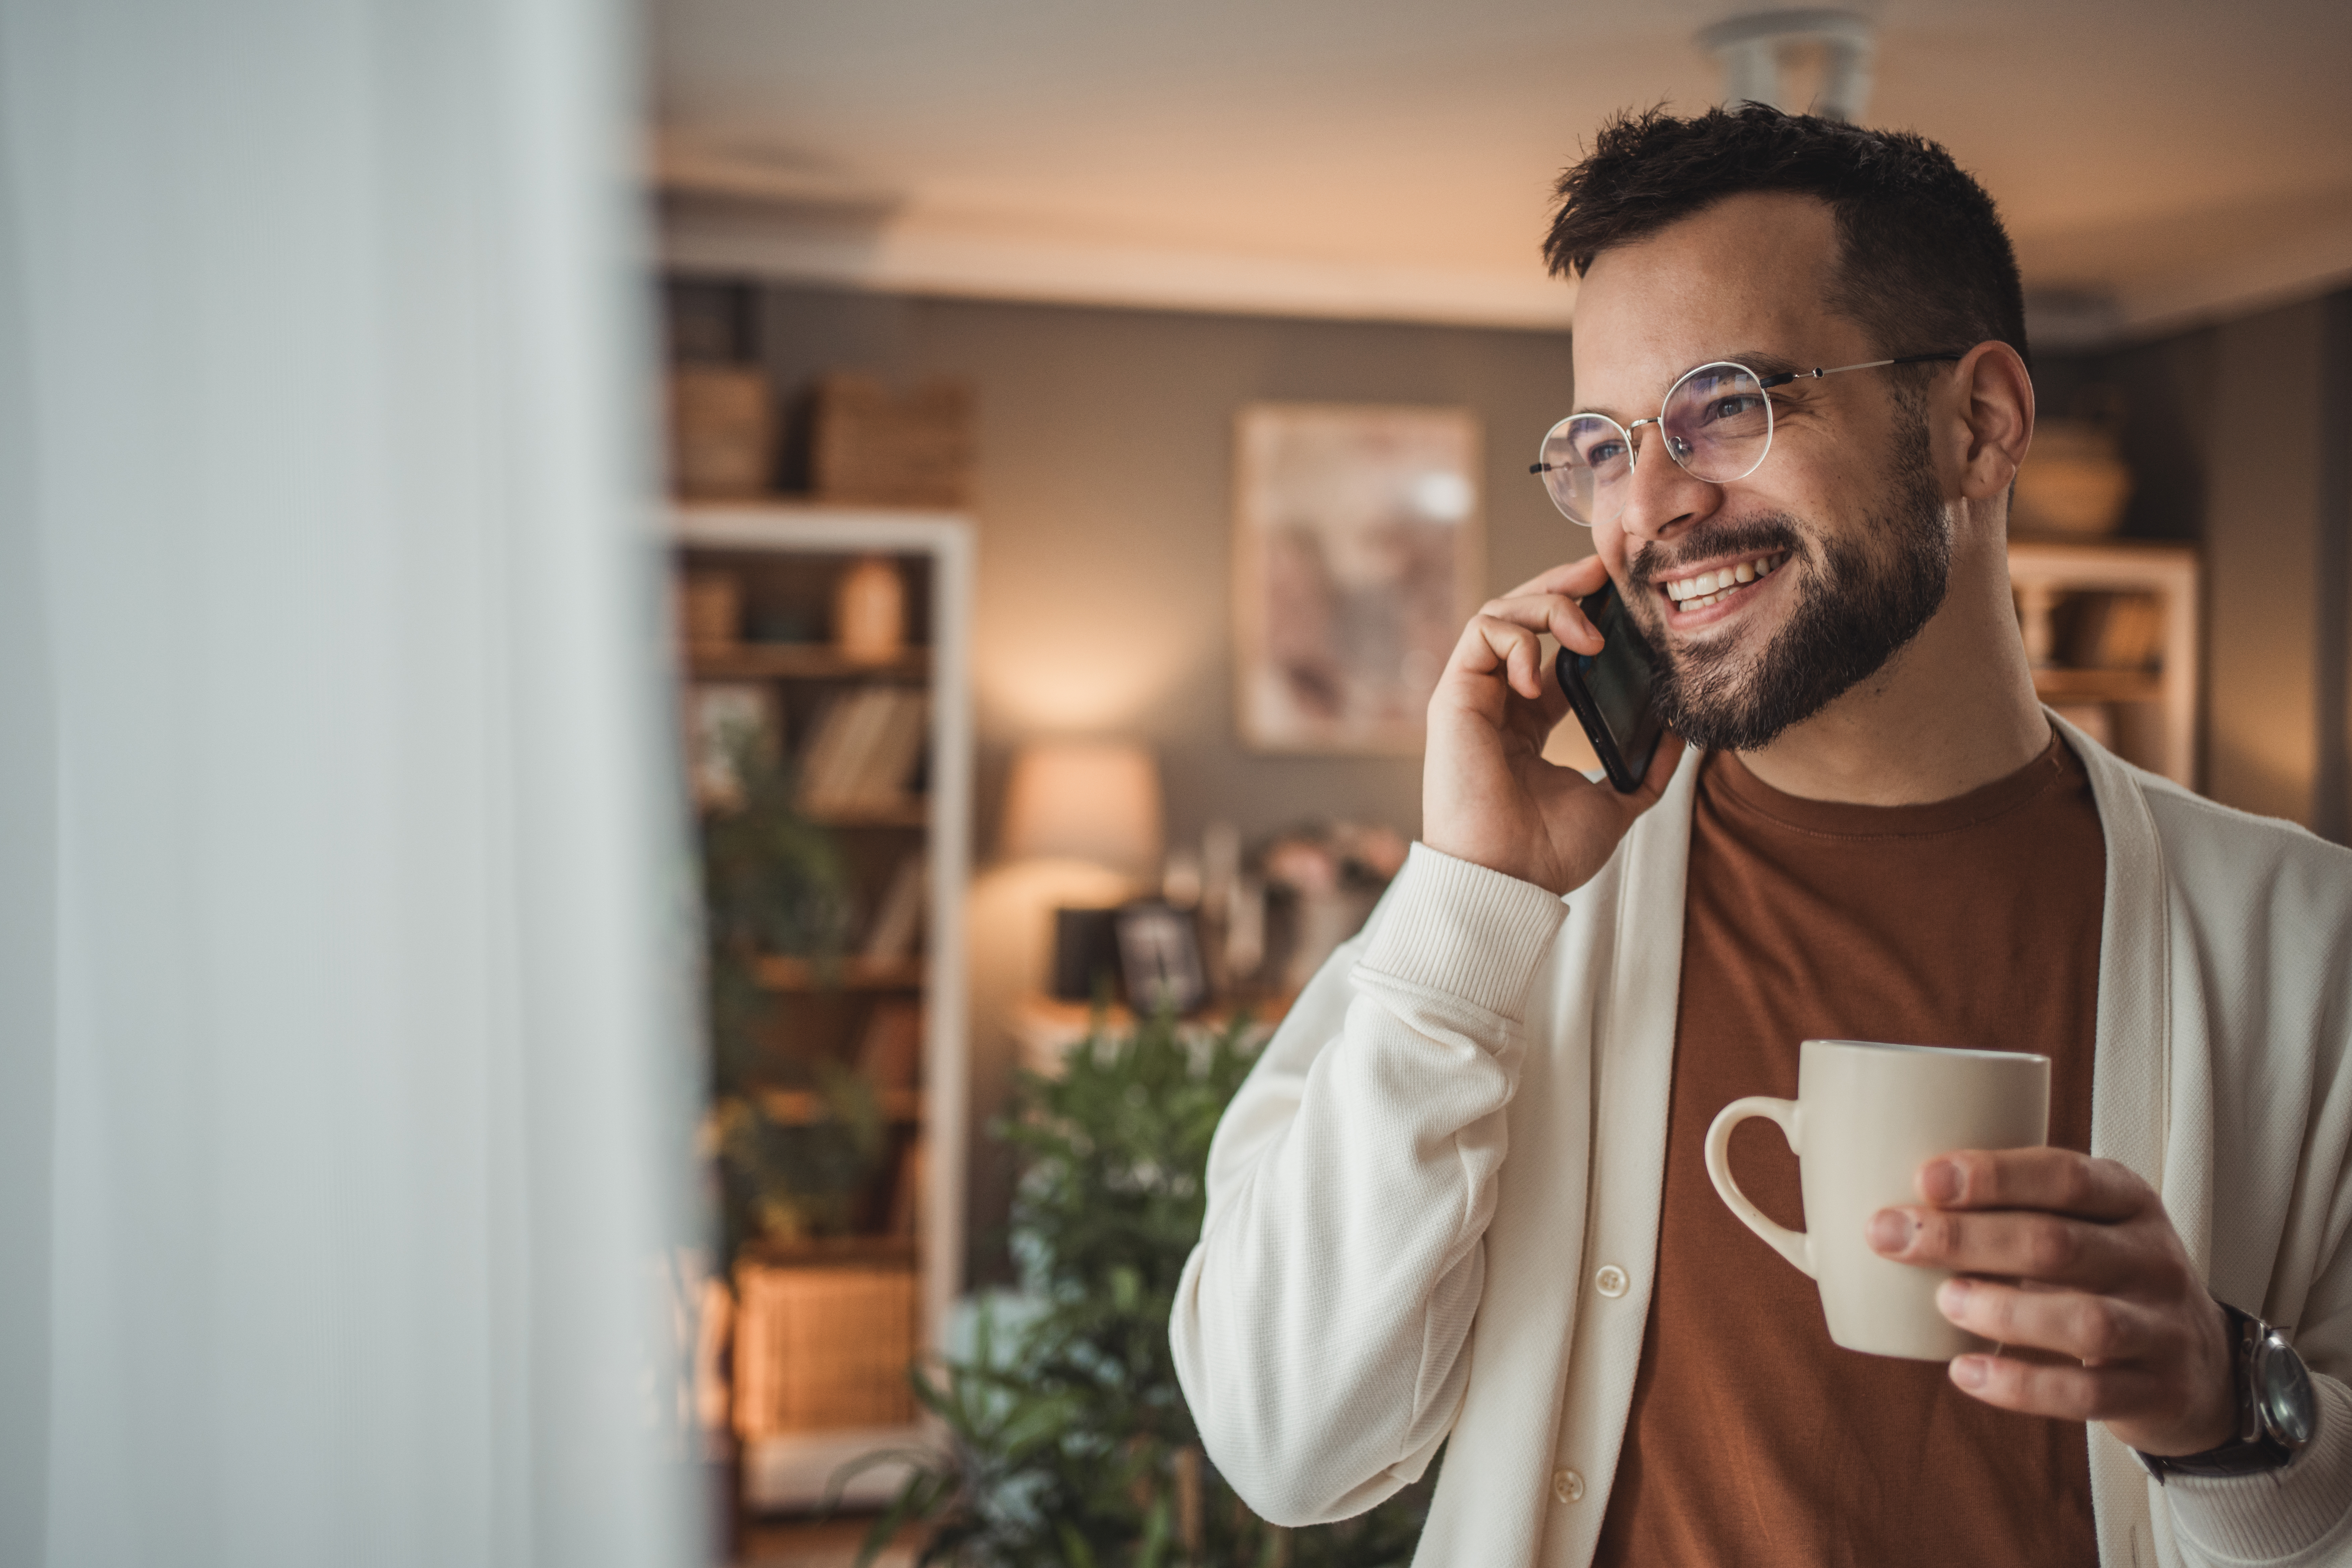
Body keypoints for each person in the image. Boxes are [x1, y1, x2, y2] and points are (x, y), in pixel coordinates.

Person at [1169, 104, 2352, 1568]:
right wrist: (1468, 896)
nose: (1647, 507)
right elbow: (1289, 1442)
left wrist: (2229, 1404)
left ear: (1979, 424)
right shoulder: (1507, 916)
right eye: (1601, 444)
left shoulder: (2312, 953)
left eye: (1724, 406)